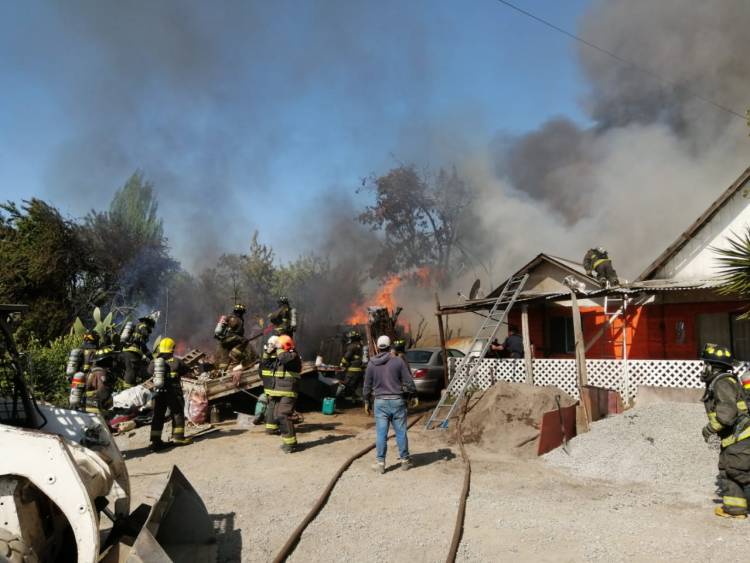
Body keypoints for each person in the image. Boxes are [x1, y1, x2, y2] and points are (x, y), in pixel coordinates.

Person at [699, 343, 750, 518]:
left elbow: (727, 414)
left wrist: (709, 429)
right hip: (732, 438)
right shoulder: (722, 381)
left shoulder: (722, 383)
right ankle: (735, 509)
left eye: (705, 364)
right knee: (728, 469)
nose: (703, 368)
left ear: (711, 366)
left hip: (741, 438)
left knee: (739, 471)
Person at [362, 335, 417, 474]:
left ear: (378, 347)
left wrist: (366, 401)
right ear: (389, 345)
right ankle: (405, 461)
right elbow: (408, 381)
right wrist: (413, 394)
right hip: (397, 401)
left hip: (380, 402)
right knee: (401, 432)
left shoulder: (371, 363)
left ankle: (380, 463)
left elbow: (367, 385)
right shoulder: (398, 361)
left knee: (381, 433)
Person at [148, 337, 192, 451]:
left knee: (157, 416)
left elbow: (148, 372)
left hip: (158, 393)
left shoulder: (153, 363)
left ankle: (155, 441)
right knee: (177, 413)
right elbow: (187, 370)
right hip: (173, 392)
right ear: (172, 349)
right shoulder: (177, 362)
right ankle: (178, 437)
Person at [265, 335, 302, 453]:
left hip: (289, 391)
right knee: (277, 415)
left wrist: (279, 348)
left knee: (283, 414)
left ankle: (291, 445)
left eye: (279, 345)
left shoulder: (293, 356)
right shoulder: (281, 356)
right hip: (280, 390)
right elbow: (266, 364)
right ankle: (288, 442)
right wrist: (268, 352)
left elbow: (284, 359)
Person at [120, 315, 156, 388]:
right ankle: (128, 389)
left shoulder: (136, 328)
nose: (150, 329)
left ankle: (131, 386)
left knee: (134, 370)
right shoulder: (143, 326)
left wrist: (151, 358)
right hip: (133, 352)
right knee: (131, 372)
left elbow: (144, 347)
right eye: (151, 326)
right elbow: (144, 334)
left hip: (128, 351)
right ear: (148, 323)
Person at [215, 304, 249, 370]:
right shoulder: (237, 319)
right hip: (230, 338)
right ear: (241, 312)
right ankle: (233, 354)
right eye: (242, 313)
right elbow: (236, 331)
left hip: (223, 341)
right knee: (245, 340)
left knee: (224, 360)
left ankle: (222, 372)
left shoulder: (229, 317)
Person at [256, 335, 279, 428]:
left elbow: (260, 373)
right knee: (274, 406)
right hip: (278, 388)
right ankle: (271, 423)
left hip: (267, 387)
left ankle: (261, 417)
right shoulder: (280, 360)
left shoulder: (264, 360)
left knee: (264, 399)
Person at [336, 330, 364, 402]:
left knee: (345, 384)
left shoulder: (352, 346)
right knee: (356, 386)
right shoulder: (360, 345)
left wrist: (342, 364)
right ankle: (355, 399)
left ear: (352, 338)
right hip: (360, 370)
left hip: (352, 370)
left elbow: (346, 358)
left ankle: (336, 398)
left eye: (350, 338)